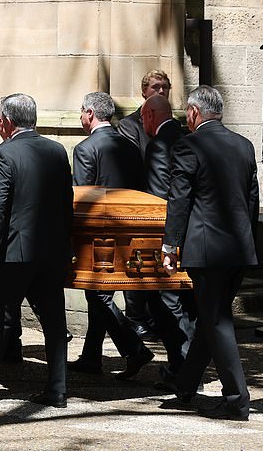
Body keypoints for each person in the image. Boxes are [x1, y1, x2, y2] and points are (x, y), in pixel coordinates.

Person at [0, 93, 73, 408]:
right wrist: (66, 246)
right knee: (54, 321)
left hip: (17, 251)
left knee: (3, 317)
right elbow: (66, 204)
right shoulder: (57, 151)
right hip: (51, 251)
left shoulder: (6, 153)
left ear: (7, 121)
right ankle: (58, 389)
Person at [159, 85, 259, 421]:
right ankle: (186, 385)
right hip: (238, 248)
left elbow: (180, 198)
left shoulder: (189, 144)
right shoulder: (244, 145)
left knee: (216, 320)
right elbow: (252, 200)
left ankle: (236, 398)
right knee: (210, 318)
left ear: (193, 112)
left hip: (207, 249)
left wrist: (170, 246)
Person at [69, 91, 154, 379]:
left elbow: (83, 197)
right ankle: (91, 357)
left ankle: (134, 349)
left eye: (82, 111)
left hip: (99, 234)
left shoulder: (85, 148)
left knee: (98, 294)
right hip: (129, 230)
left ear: (90, 114)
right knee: (100, 294)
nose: (81, 117)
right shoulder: (130, 146)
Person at [140, 94, 195, 374]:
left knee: (165, 298)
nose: (142, 124)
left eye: (142, 117)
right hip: (195, 233)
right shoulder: (189, 137)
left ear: (150, 115)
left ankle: (181, 365)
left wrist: (166, 244)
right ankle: (189, 364)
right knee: (188, 302)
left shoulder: (158, 145)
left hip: (170, 234)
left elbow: (160, 197)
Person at [118, 69, 174, 339]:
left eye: (165, 87)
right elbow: (135, 161)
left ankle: (158, 317)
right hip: (139, 202)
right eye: (155, 87)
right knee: (137, 262)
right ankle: (136, 317)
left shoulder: (174, 127)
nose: (161, 91)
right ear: (143, 92)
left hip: (165, 203)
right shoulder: (129, 125)